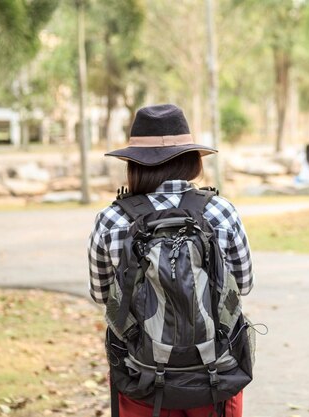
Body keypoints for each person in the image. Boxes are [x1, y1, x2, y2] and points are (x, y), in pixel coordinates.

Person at [87, 104, 254, 417]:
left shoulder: (110, 219)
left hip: (141, 374)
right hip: (216, 373)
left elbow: (102, 296)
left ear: (134, 164)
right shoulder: (222, 212)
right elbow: (242, 285)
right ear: (191, 159)